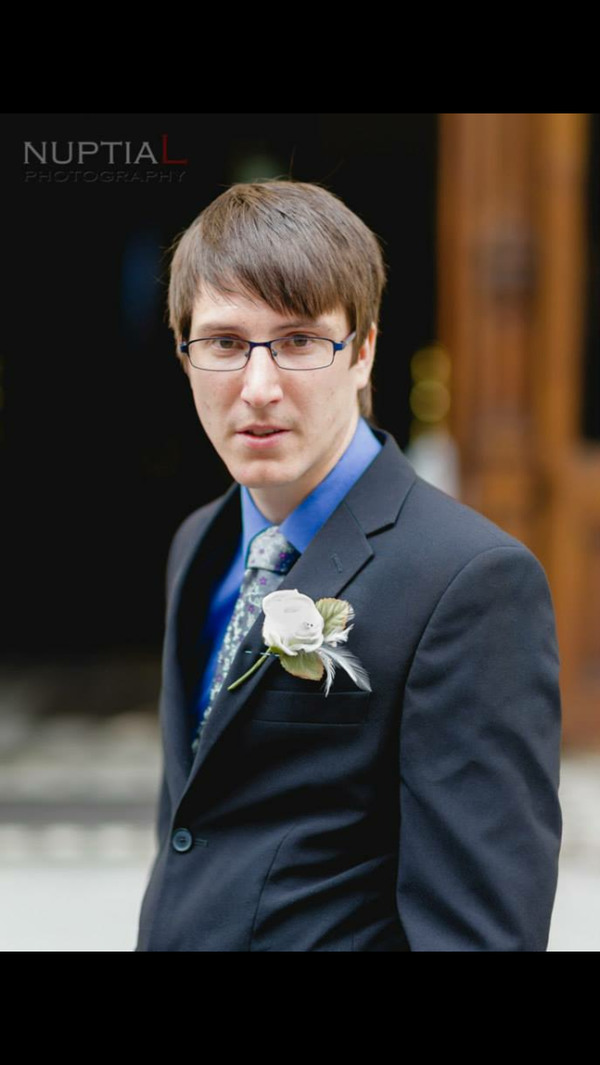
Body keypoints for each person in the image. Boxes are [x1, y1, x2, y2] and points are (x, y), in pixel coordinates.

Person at [135, 179, 562, 952]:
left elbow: (480, 932)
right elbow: (194, 829)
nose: (258, 388)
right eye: (225, 343)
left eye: (299, 341)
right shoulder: (198, 543)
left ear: (362, 352)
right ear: (183, 352)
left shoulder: (470, 582)